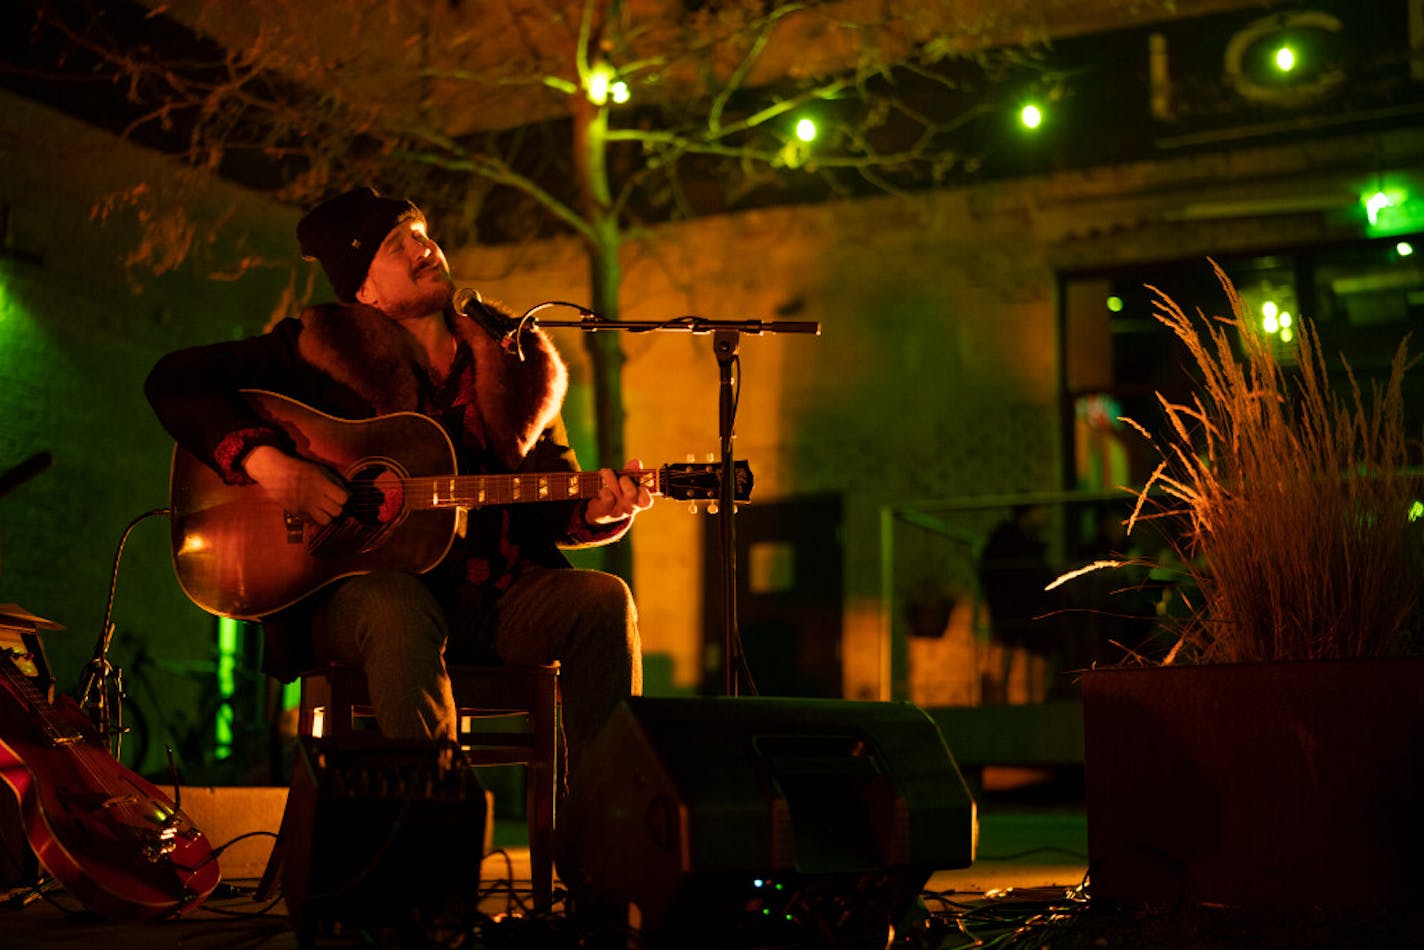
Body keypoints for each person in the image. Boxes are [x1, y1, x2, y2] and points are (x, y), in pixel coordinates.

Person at [145, 187, 652, 779]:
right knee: (397, 605)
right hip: (359, 600)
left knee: (603, 600)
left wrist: (597, 512)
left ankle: (609, 830)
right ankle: (436, 817)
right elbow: (174, 379)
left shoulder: (516, 365)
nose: (423, 247)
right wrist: (269, 463)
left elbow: (552, 494)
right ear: (365, 290)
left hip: (497, 600)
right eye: (397, 243)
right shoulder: (316, 351)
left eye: (421, 232)